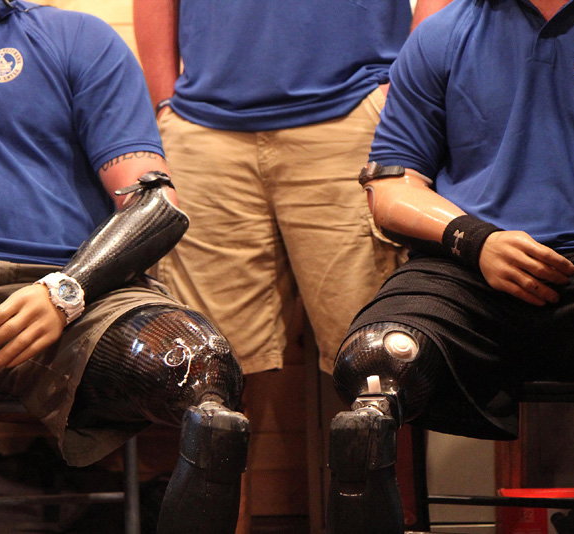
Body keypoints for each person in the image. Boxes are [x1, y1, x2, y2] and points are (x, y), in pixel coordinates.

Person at [0, 0, 250, 532]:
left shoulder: (74, 36)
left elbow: (155, 205)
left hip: (75, 280)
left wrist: (67, 288)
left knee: (204, 375)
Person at [326, 0, 574, 532]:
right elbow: (390, 185)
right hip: (470, 266)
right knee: (372, 370)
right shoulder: (440, 34)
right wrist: (474, 240)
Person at [131, 0, 419, 378]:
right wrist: (165, 103)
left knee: (376, 361)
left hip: (348, 113)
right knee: (210, 372)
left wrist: (405, 83)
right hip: (204, 131)